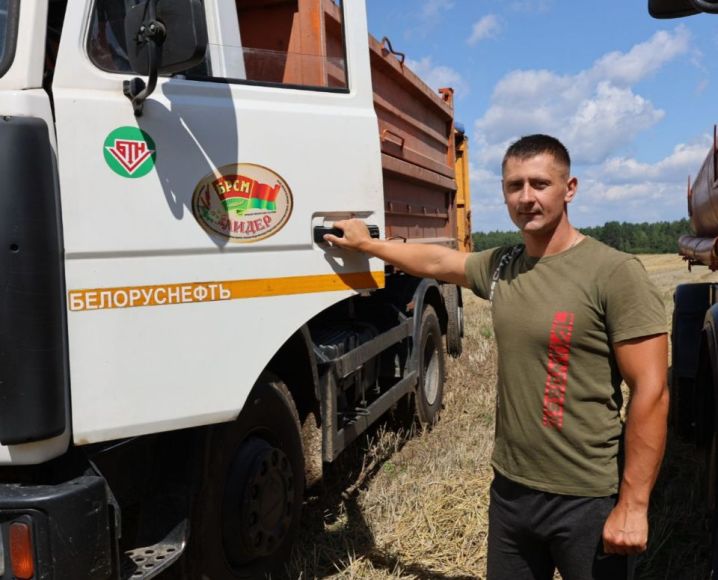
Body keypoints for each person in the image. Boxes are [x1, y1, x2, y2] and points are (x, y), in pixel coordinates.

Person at [324, 134, 669, 580]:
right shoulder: (505, 266)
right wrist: (369, 245)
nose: (526, 197)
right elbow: (435, 263)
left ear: (570, 188)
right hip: (512, 491)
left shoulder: (614, 273)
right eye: (514, 185)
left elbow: (651, 392)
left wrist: (634, 505)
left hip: (587, 496)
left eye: (540, 183)